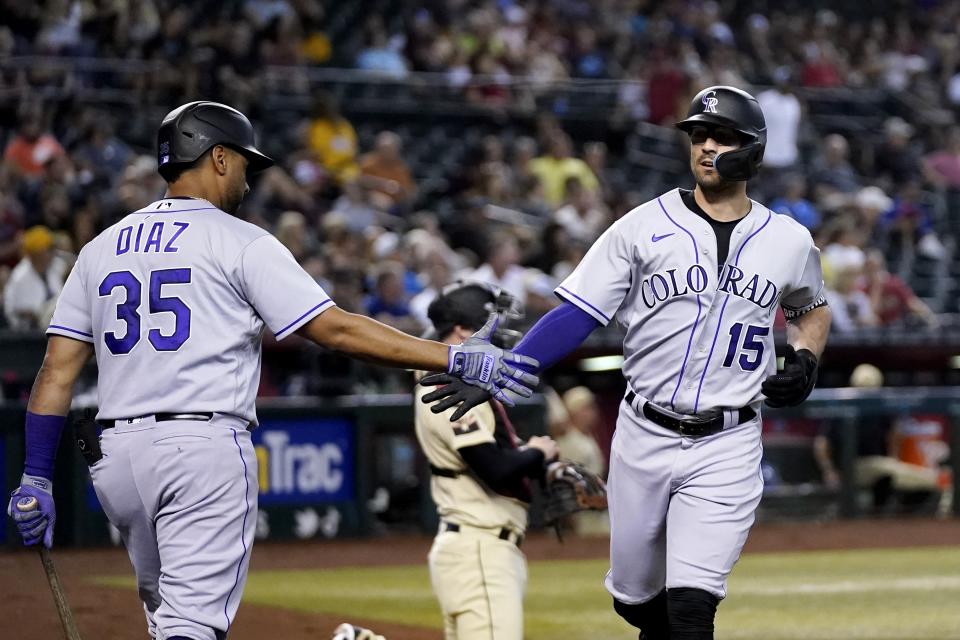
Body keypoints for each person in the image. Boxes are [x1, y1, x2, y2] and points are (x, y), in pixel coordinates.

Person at [5, 101, 539, 640]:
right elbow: (336, 329)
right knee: (191, 627)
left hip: (117, 460)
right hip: (201, 448)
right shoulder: (240, 240)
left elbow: (55, 371)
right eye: (241, 162)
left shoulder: (100, 249)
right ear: (216, 157)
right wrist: (453, 356)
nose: (247, 177)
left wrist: (35, 475)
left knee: (167, 621)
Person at [423, 86, 832, 640]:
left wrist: (806, 355)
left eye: (722, 137)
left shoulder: (787, 239)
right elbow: (577, 313)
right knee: (637, 603)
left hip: (728, 440)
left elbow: (811, 306)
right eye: (698, 136)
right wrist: (506, 368)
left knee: (692, 608)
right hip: (644, 433)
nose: (706, 147)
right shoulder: (641, 226)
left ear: (753, 150)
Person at [415, 281, 558, 640]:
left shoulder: (456, 379)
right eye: (491, 323)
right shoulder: (443, 384)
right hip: (479, 550)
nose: (502, 334)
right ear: (463, 331)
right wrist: (539, 453)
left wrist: (542, 463)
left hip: (476, 549)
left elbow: (497, 456)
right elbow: (494, 468)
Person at [3, 225, 70, 330]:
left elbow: (71, 264)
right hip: (28, 337)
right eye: (49, 248)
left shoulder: (55, 265)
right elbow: (20, 314)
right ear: (38, 254)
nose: (53, 252)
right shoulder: (20, 277)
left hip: (57, 327)